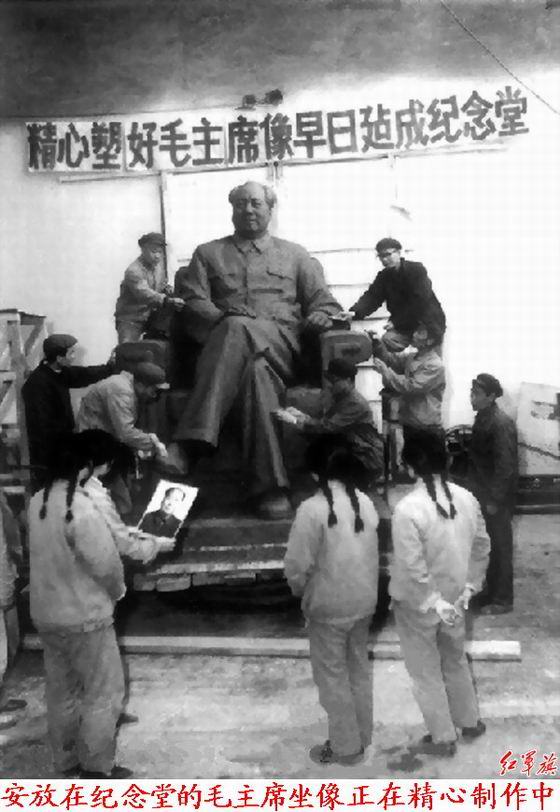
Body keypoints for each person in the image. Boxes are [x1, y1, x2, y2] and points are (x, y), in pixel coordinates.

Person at [171, 180, 342, 519]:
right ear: (232, 209)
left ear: (270, 209)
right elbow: (193, 302)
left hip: (282, 344)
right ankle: (270, 489)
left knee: (237, 328)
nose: (248, 209)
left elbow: (325, 302)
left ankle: (191, 443)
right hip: (229, 351)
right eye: (241, 204)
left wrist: (322, 314)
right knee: (255, 373)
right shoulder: (207, 254)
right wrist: (222, 319)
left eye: (256, 203)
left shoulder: (296, 255)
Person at [28, 434, 133, 779]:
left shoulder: (38, 500)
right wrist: (118, 591)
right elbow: (106, 563)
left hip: (47, 615)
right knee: (104, 693)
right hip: (86, 617)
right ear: (85, 467)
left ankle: (66, 761)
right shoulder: (82, 508)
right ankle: (97, 768)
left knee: (62, 692)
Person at [390, 430, 490, 760]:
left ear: (408, 467)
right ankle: (470, 721)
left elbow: (412, 568)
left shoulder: (407, 509)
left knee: (425, 671)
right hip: (457, 598)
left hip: (420, 605)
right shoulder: (467, 498)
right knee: (455, 659)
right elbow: (482, 547)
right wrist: (469, 588)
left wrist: (434, 602)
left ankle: (443, 737)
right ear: (446, 461)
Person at [284, 444, 379, 766]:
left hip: (328, 607)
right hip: (364, 603)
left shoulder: (311, 509)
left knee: (332, 678)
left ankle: (345, 747)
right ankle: (362, 736)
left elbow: (297, 565)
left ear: (316, 475)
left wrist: (300, 592)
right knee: (358, 671)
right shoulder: (365, 502)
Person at [76, 362, 170, 516]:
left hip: (104, 442)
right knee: (119, 500)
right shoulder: (121, 392)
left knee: (118, 494)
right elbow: (125, 433)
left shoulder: (126, 385)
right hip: (94, 448)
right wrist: (154, 443)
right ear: (141, 385)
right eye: (153, 390)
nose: (154, 395)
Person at [21, 334, 114, 488]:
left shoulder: (60, 372)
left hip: (64, 443)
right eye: (71, 353)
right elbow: (42, 426)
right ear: (59, 358)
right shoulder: (37, 384)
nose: (74, 356)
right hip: (48, 452)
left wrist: (109, 368)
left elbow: (84, 374)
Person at [276, 358, 384, 488]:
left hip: (365, 457)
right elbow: (324, 423)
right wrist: (301, 416)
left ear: (348, 380)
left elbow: (327, 427)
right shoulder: (342, 398)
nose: (331, 385)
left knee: (321, 451)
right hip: (352, 449)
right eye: (330, 381)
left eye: (335, 381)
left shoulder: (354, 403)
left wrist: (296, 420)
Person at [75, 430, 176, 564]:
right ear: (107, 464)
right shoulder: (95, 495)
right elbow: (123, 545)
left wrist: (128, 532)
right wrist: (156, 545)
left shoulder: (67, 483)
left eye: (176, 500)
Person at [468, 373, 518, 615]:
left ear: (490, 397)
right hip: (483, 493)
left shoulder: (499, 423)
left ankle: (503, 600)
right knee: (488, 546)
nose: (472, 398)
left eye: (477, 394)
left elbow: (505, 466)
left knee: (500, 547)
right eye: (471, 393)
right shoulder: (483, 418)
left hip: (496, 497)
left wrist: (495, 500)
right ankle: (490, 592)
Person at [349, 238, 446, 352]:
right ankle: (399, 363)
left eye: (388, 254)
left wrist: (396, 322)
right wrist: (354, 312)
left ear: (399, 252)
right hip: (404, 326)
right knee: (387, 341)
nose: (384, 259)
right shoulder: (384, 277)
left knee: (429, 360)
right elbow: (372, 297)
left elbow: (420, 301)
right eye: (381, 256)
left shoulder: (416, 270)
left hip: (426, 323)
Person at [370, 321, 446, 442]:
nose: (414, 334)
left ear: (430, 341)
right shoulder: (412, 357)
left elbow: (411, 386)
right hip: (410, 424)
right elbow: (390, 359)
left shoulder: (434, 365)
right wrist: (377, 344)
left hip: (427, 429)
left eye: (420, 333)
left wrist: (386, 372)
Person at [114, 232, 184, 343]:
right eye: (153, 251)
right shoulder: (134, 271)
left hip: (151, 316)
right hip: (131, 319)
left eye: (160, 252)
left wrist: (167, 288)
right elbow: (145, 294)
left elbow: (159, 284)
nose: (157, 256)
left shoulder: (157, 267)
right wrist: (167, 300)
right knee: (127, 349)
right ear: (143, 250)